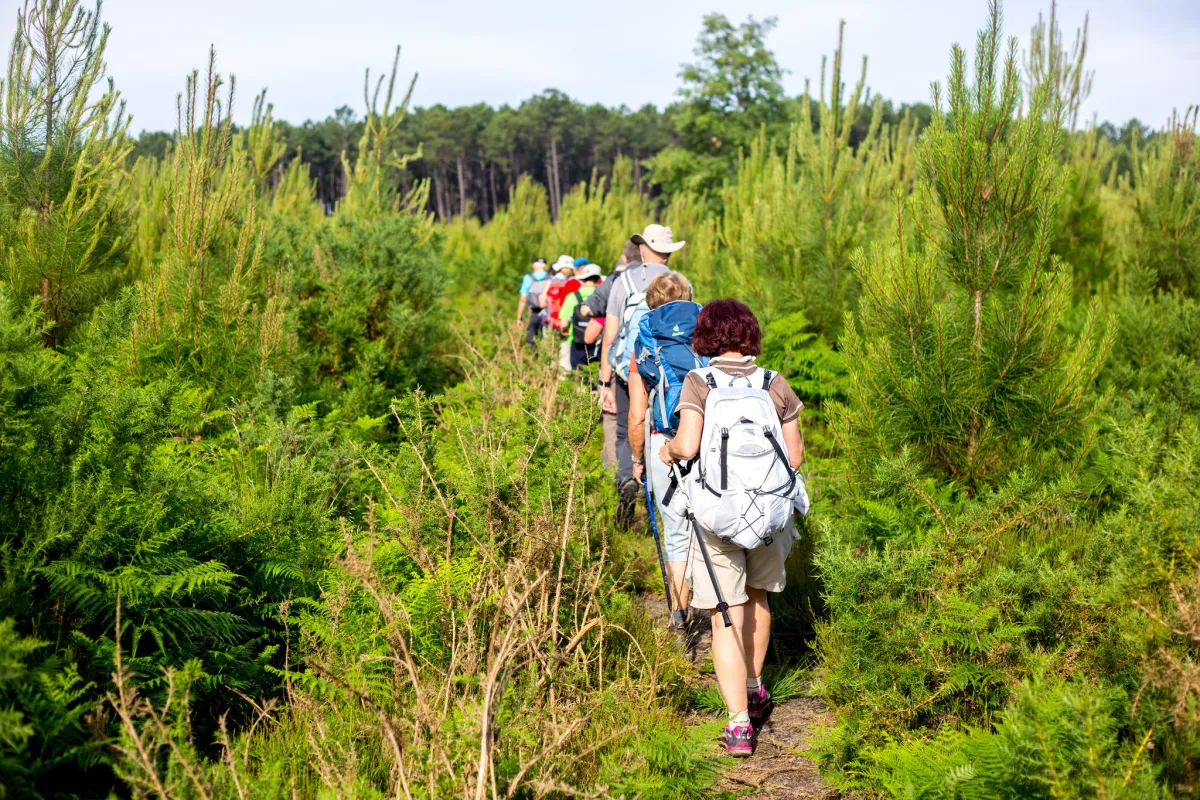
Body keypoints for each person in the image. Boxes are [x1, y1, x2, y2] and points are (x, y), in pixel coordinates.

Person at [658, 298, 805, 757]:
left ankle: (739, 726)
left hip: (719, 517)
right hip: (767, 515)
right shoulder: (774, 383)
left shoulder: (699, 382)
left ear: (705, 337)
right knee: (759, 599)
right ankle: (755, 687)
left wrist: (666, 453)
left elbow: (686, 445)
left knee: (725, 613)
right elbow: (795, 457)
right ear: (749, 335)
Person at [599, 225, 684, 530]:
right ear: (669, 251)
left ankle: (627, 480)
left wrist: (603, 382)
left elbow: (610, 334)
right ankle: (664, 507)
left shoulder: (624, 281)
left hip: (629, 368)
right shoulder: (681, 282)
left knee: (625, 430)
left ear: (644, 248)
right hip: (670, 375)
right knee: (664, 433)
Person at [627, 271, 698, 623]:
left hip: (664, 443)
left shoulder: (645, 341)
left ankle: (679, 614)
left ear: (650, 302)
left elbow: (638, 414)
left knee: (677, 534)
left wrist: (636, 459)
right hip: (710, 440)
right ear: (688, 296)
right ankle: (723, 606)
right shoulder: (709, 330)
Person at [583, 241, 640, 471]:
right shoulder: (667, 280)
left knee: (612, 416)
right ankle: (642, 473)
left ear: (623, 257)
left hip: (619, 363)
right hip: (651, 364)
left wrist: (603, 382)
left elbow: (607, 334)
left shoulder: (618, 280)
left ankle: (614, 473)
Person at [559, 263, 603, 371]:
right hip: (597, 344)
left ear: (582, 280)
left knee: (578, 376)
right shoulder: (603, 297)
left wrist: (565, 330)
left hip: (576, 342)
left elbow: (563, 324)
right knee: (595, 376)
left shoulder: (572, 297)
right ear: (598, 280)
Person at [517, 257, 548, 334]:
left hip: (532, 313)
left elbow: (523, 300)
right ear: (545, 267)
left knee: (531, 338)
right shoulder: (550, 278)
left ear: (533, 266)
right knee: (547, 339)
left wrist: (519, 318)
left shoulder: (528, 278)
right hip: (548, 313)